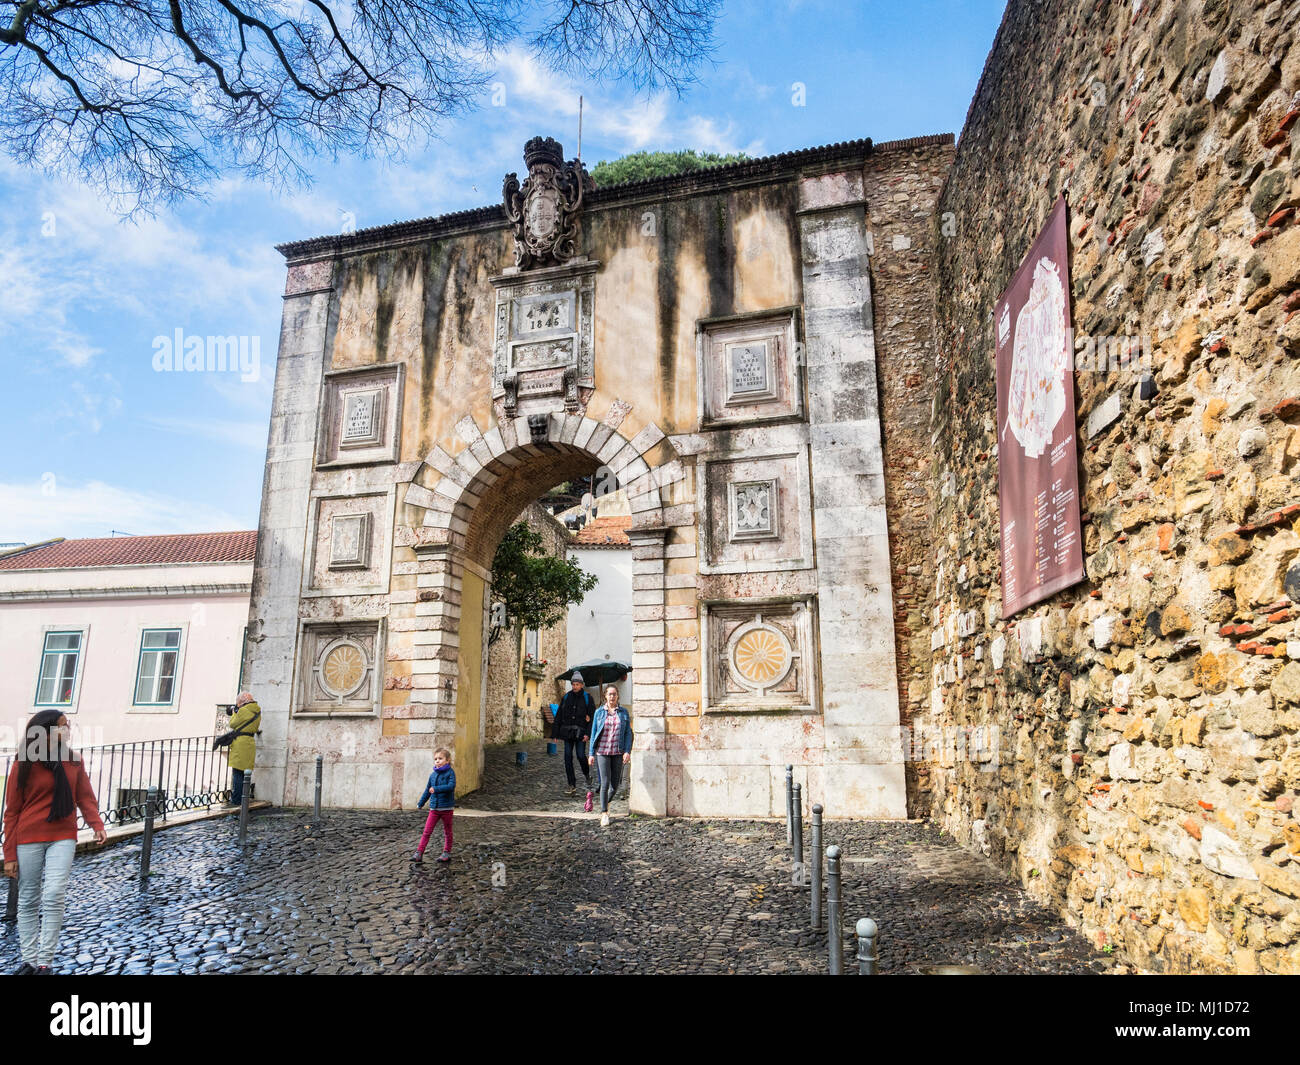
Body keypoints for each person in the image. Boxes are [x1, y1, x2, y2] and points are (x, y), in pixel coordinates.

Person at [2, 710, 107, 974]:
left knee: (53, 894)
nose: (67, 729)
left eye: (67, 725)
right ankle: (29, 959)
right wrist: (10, 855)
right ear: (46, 732)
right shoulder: (23, 763)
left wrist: (97, 825)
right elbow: (12, 811)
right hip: (28, 837)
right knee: (27, 899)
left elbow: (85, 797)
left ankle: (44, 962)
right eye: (62, 726)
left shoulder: (73, 761)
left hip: (63, 835)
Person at [588, 684, 633, 828]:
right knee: (605, 783)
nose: (612, 697)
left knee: (614, 786)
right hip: (602, 752)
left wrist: (627, 751)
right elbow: (594, 732)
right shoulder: (599, 712)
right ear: (605, 696)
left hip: (618, 752)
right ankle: (604, 813)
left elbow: (627, 734)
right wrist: (591, 753)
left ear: (617, 696)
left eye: (614, 694)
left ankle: (604, 803)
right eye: (609, 694)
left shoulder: (624, 713)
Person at [552, 671, 595, 798]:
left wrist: (588, 733)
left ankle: (587, 775)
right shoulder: (566, 697)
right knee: (567, 757)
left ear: (582, 685)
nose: (575, 686)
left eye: (577, 684)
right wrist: (555, 733)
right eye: (573, 684)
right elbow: (559, 715)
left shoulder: (588, 698)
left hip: (581, 734)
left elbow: (592, 718)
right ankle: (572, 784)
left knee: (581, 756)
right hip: (567, 733)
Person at [412, 748, 456, 863]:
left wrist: (436, 789)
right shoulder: (432, 775)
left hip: (446, 808)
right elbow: (427, 790)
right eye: (435, 759)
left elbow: (451, 786)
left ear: (447, 760)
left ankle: (446, 852)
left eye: (440, 758)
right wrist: (421, 803)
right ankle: (419, 852)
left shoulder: (450, 773)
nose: (437, 761)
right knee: (427, 831)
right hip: (434, 809)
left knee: (447, 831)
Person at [226, 691, 260, 806]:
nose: (237, 705)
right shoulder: (257, 710)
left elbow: (232, 723)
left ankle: (236, 800)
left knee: (237, 772)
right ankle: (244, 798)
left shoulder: (244, 710)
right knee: (245, 773)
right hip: (249, 743)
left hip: (241, 743)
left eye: (238, 703)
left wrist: (235, 712)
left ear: (242, 702)